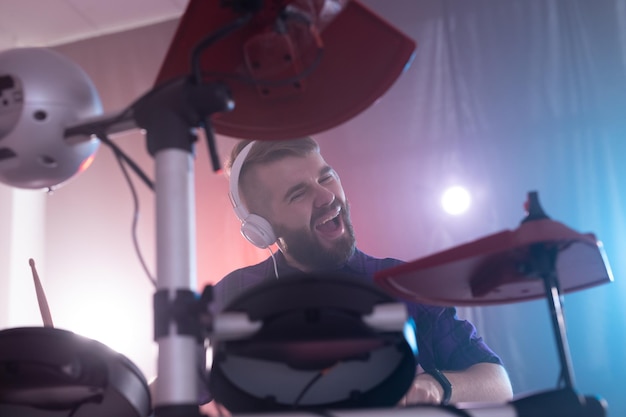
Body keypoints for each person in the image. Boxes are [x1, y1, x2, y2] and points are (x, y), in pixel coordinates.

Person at [201, 137, 513, 415]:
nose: (325, 196)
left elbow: (498, 383)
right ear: (262, 228)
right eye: (298, 194)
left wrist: (437, 385)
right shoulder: (234, 296)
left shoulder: (403, 283)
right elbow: (174, 386)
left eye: (327, 177)